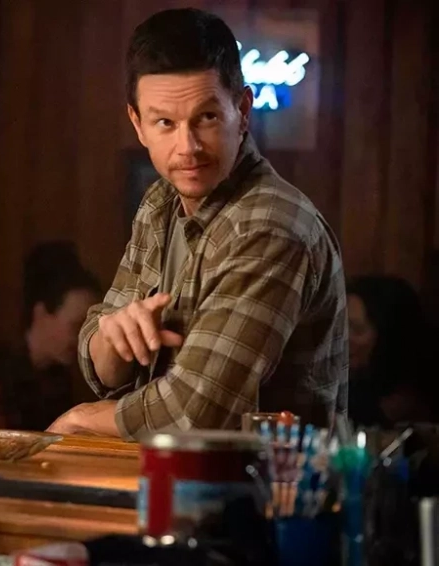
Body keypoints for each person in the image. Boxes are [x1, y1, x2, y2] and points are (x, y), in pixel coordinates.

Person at [47, 8, 348, 438]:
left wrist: (82, 418)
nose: (187, 147)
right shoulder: (160, 201)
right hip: (162, 473)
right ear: (138, 124)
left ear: (242, 110)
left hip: (266, 480)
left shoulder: (270, 225)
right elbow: (99, 357)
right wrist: (113, 342)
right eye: (165, 123)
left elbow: (197, 413)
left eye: (206, 118)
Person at [0, 242, 101, 430]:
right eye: (76, 326)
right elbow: (7, 442)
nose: (83, 338)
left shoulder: (58, 376)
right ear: (41, 313)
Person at [347, 275, 434, 427]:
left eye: (358, 330)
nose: (342, 339)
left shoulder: (409, 405)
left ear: (388, 336)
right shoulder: (346, 387)